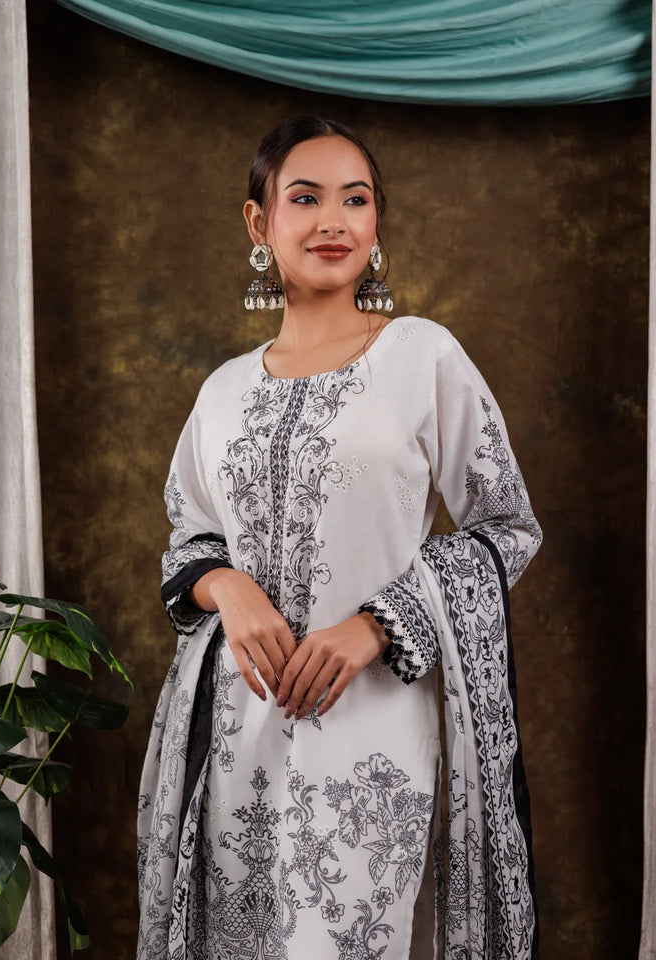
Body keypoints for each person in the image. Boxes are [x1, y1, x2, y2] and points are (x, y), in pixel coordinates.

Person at [137, 114, 543, 960]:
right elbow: (189, 538)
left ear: (377, 222)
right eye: (306, 198)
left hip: (372, 728)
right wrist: (228, 588)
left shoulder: (423, 357)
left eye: (355, 200)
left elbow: (506, 526)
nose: (333, 221)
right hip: (234, 731)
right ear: (259, 222)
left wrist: (377, 624)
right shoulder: (223, 392)